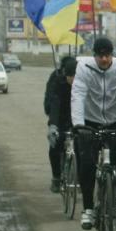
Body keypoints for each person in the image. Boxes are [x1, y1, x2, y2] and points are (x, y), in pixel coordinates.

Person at [71, 37, 116, 230]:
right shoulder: (84, 68)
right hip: (90, 121)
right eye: (100, 56)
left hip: (115, 119)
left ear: (112, 55)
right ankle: (88, 209)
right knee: (87, 164)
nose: (104, 60)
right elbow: (78, 94)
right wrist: (79, 125)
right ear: (94, 55)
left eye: (107, 55)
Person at [46, 56, 77, 193]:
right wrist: (53, 125)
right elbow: (54, 104)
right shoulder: (57, 81)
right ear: (65, 74)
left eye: (76, 76)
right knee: (55, 145)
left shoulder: (84, 82)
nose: (74, 80)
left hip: (76, 116)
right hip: (59, 115)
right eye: (71, 77)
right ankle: (56, 178)